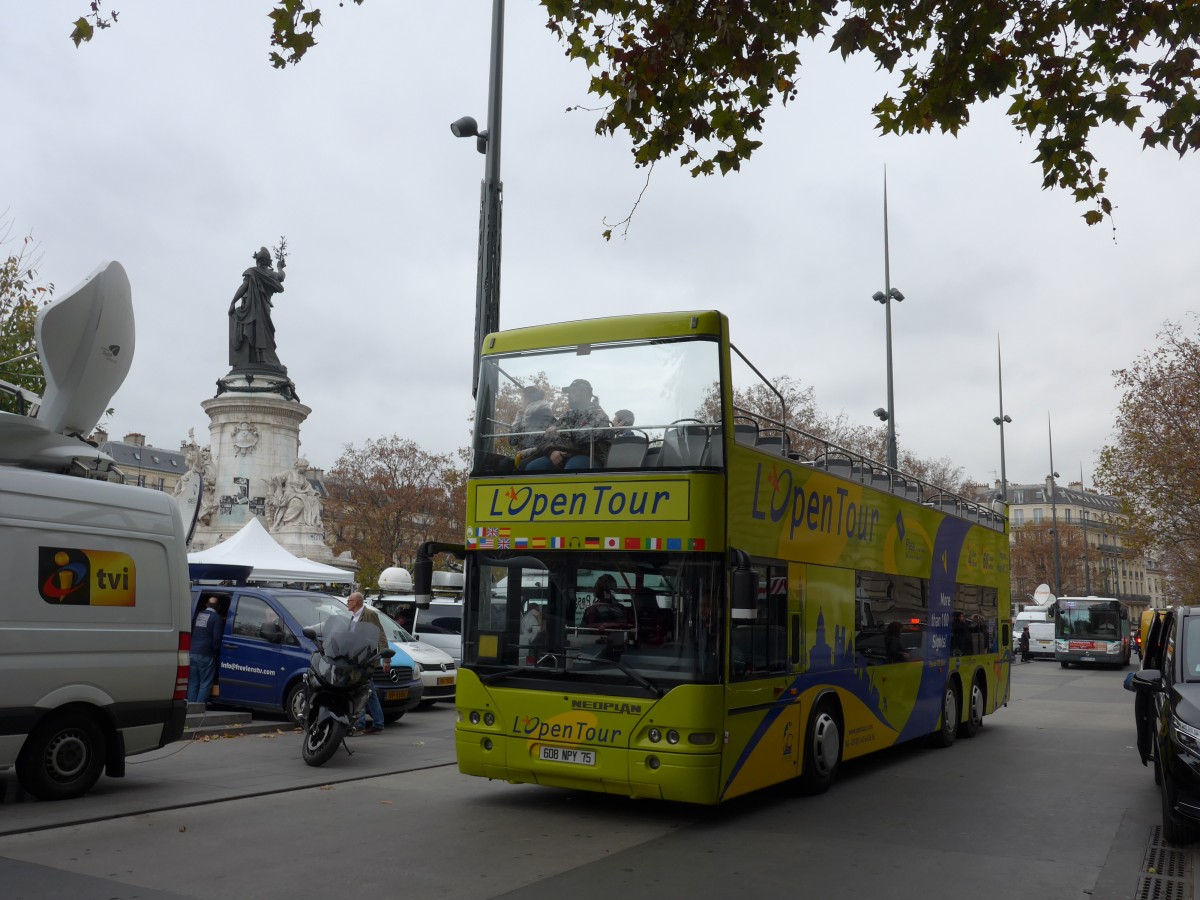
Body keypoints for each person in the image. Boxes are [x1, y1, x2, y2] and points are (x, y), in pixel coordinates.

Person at [525, 379, 612, 471]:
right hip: (566, 455)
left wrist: (562, 444)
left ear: (585, 392)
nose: (569, 395)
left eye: (573, 391)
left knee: (573, 467)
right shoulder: (568, 415)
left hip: (590, 457)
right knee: (533, 467)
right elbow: (547, 438)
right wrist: (552, 451)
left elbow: (582, 439)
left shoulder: (598, 414)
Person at [229, 245, 287, 372]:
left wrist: (233, 302)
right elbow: (281, 277)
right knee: (264, 333)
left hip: (252, 309)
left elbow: (243, 287)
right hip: (263, 309)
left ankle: (257, 359)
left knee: (254, 330)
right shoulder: (270, 274)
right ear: (268, 262)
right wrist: (280, 267)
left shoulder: (252, 272)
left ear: (258, 260)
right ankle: (261, 358)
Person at [346, 592, 390, 734]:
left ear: (357, 602)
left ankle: (360, 724)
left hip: (366, 660)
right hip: (355, 660)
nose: (347, 602)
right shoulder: (354, 617)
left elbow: (380, 635)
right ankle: (378, 723)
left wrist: (386, 659)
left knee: (361, 690)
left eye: (350, 600)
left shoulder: (369, 615)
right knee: (368, 692)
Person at [267, 458, 323, 529]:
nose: (306, 469)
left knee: (314, 500)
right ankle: (286, 520)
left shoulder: (303, 477)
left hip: (300, 494)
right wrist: (274, 480)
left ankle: (314, 521)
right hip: (289, 494)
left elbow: (308, 487)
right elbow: (277, 478)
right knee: (298, 503)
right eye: (305, 467)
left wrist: (314, 493)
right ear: (300, 466)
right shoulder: (289, 473)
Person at [511, 386, 556, 469]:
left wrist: (518, 419)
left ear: (527, 399)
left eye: (522, 399)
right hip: (534, 452)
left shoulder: (533, 414)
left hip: (538, 453)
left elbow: (513, 440)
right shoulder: (541, 411)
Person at [188, 596, 223, 704]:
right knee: (205, 683)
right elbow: (216, 638)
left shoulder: (198, 615)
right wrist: (215, 652)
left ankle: (191, 709)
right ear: (219, 607)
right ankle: (198, 709)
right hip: (206, 655)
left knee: (193, 683)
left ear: (206, 605)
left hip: (192, 652)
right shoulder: (217, 618)